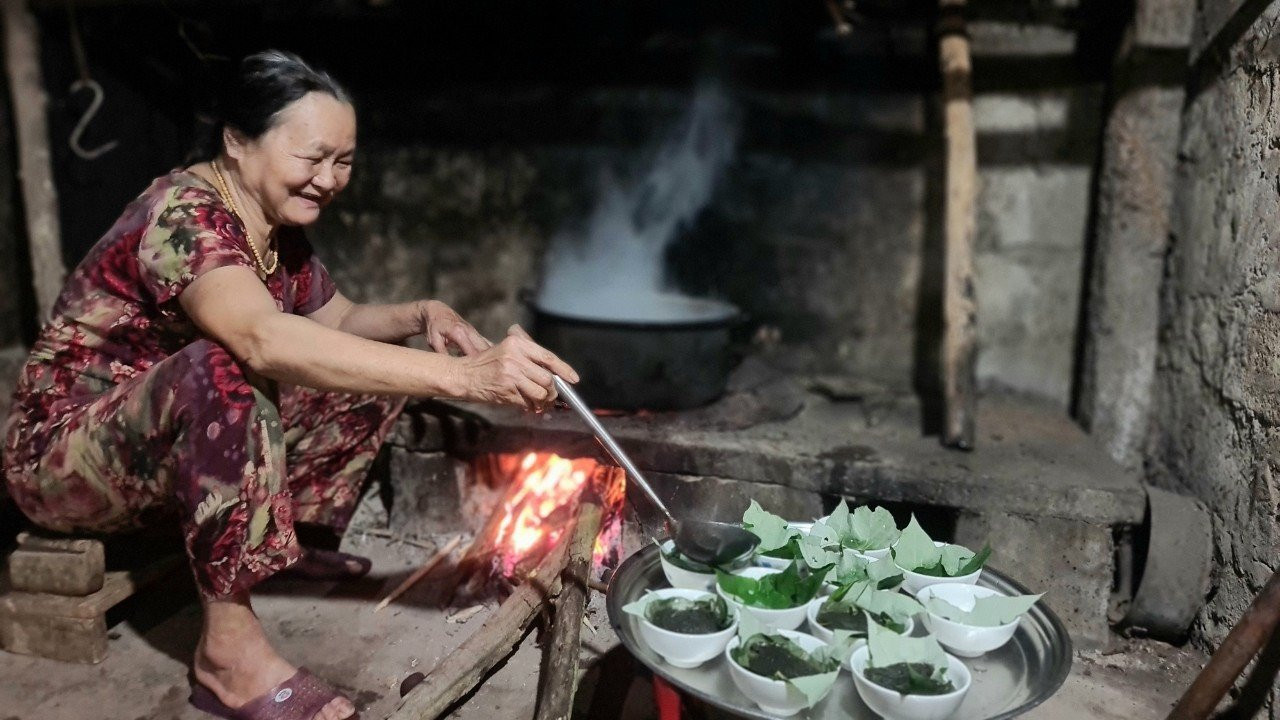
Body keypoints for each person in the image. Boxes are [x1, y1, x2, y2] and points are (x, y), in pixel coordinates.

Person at [1, 50, 578, 720]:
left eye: (346, 160)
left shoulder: (275, 227)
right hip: (61, 457)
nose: (330, 179)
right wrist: (469, 378)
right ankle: (228, 658)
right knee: (223, 365)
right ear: (238, 141)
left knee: (364, 362)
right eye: (313, 157)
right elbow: (260, 338)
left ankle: (285, 541)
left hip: (151, 443)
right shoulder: (183, 216)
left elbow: (341, 322)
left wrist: (422, 314)